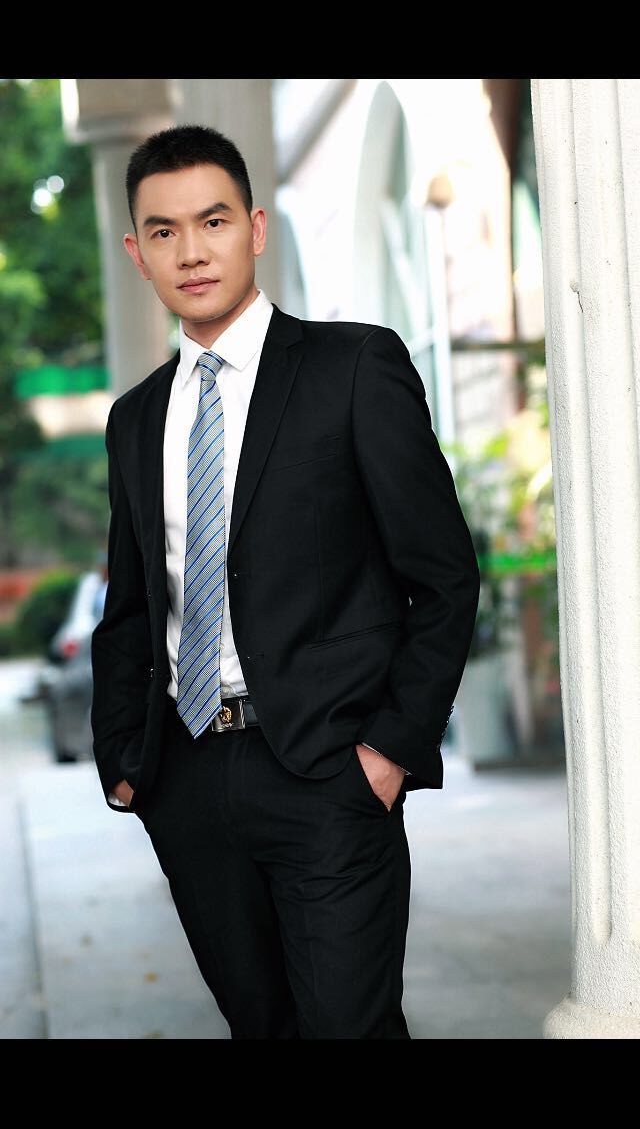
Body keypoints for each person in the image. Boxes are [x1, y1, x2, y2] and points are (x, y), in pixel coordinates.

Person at [90, 124, 480, 1040]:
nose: (192, 252)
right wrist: (126, 761)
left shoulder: (355, 368)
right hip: (188, 778)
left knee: (349, 1027)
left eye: (214, 221)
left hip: (327, 773)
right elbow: (133, 607)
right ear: (137, 253)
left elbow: (443, 577)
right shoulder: (135, 418)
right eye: (164, 232)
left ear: (255, 230)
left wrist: (388, 751)